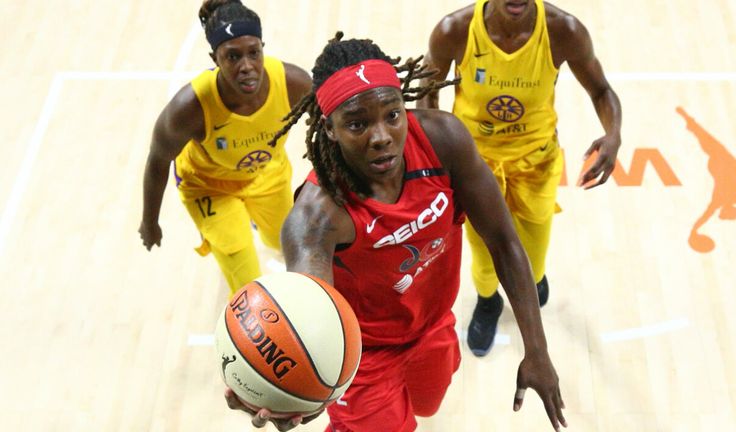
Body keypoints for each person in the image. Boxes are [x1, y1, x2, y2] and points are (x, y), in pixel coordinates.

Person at [224, 33, 567, 432]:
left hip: (433, 322)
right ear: (330, 129)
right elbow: (310, 318)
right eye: (357, 123)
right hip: (363, 356)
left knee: (428, 404)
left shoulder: (444, 141)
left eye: (392, 114)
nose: (382, 136)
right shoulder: (316, 217)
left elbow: (505, 242)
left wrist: (537, 350)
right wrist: (298, 392)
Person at [417, 0, 622, 356]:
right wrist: (437, 157)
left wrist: (613, 134)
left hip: (536, 159)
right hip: (474, 164)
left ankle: (533, 276)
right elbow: (425, 91)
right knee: (484, 251)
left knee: (535, 249)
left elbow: (601, 90)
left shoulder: (563, 31)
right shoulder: (455, 30)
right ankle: (488, 300)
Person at [138, 0, 312, 294]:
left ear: (262, 48)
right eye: (232, 57)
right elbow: (158, 161)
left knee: (280, 239)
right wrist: (149, 221)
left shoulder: (294, 82)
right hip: (210, 186)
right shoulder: (189, 108)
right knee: (246, 279)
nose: (246, 66)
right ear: (215, 58)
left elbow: (332, 123)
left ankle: (258, 222)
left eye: (253, 53)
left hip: (266, 171)